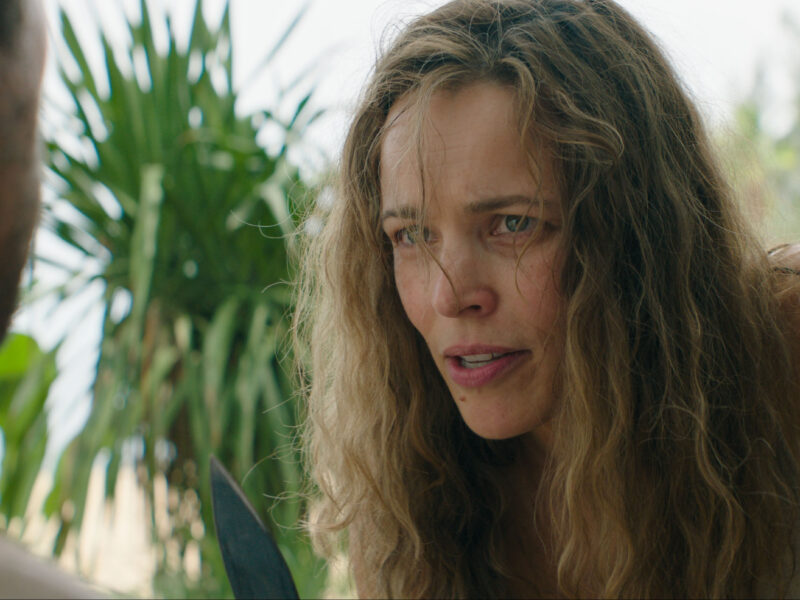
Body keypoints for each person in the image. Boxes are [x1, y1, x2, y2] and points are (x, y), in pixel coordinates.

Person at [295, 0, 800, 597]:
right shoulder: (412, 509)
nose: (449, 294)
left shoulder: (784, 352)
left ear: (636, 231)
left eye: (513, 225)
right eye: (412, 235)